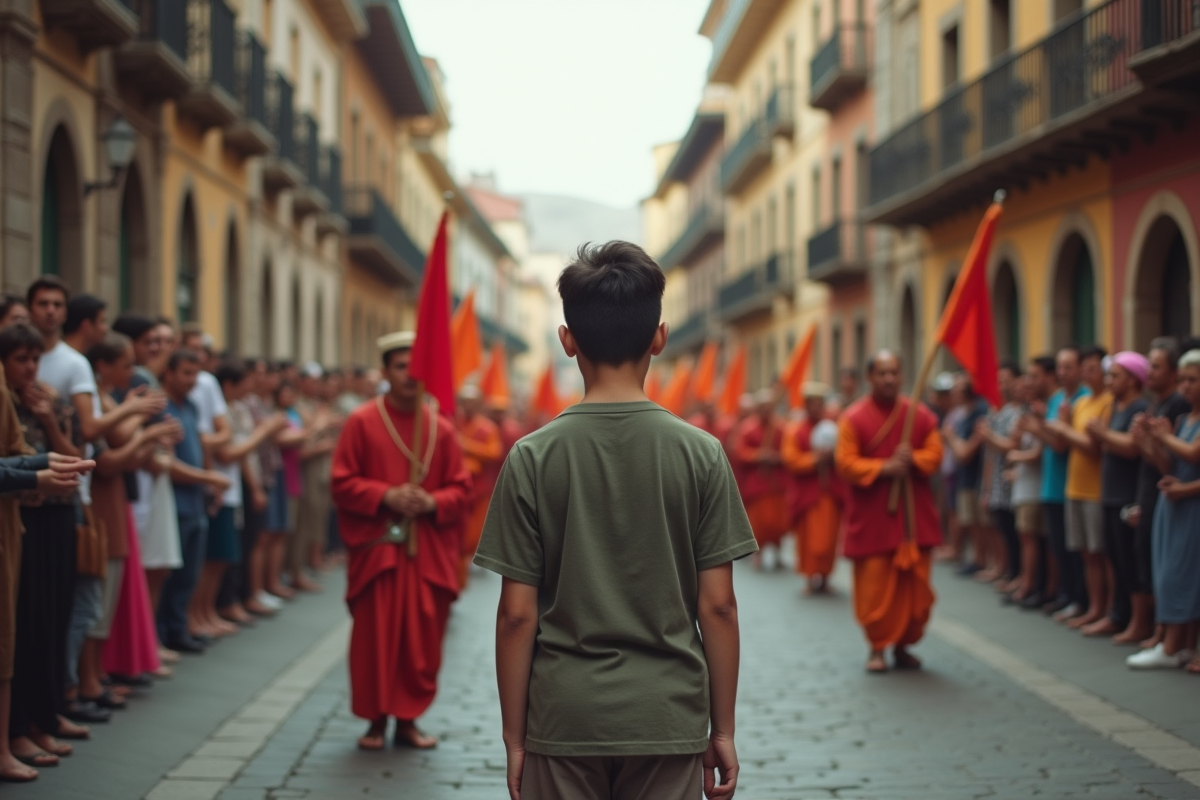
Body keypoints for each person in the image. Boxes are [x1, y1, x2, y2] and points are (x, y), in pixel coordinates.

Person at [474, 242, 753, 800]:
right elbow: (718, 605)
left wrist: (514, 738)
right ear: (659, 337)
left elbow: (515, 615)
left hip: (564, 717)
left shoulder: (531, 456)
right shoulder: (702, 454)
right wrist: (720, 728)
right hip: (666, 715)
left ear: (567, 340)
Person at [331, 331, 471, 752]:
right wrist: (385, 495)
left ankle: (409, 719)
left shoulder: (441, 429)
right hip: (380, 551)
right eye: (400, 367)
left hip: (425, 553)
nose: (410, 376)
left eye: (416, 369)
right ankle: (375, 720)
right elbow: (341, 482)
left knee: (421, 640)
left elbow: (461, 490)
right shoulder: (361, 422)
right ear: (385, 372)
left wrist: (430, 500)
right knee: (375, 638)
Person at [0, 351, 89, 783]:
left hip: (25, 520)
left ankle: (29, 726)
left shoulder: (43, 399)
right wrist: (34, 473)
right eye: (21, 357)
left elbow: (16, 454)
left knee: (31, 627)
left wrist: (39, 462)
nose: (31, 367)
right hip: (22, 516)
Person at [835, 350, 943, 674]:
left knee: (916, 591)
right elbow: (846, 463)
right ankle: (878, 647)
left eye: (894, 372)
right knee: (875, 590)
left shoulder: (919, 415)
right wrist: (885, 468)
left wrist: (913, 460)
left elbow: (935, 454)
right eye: (882, 373)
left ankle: (903, 646)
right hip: (874, 522)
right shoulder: (853, 418)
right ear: (870, 377)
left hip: (913, 521)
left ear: (902, 375)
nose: (889, 379)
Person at [1128, 349, 1200, 670]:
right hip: (1173, 505)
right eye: (1183, 380)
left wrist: (1164, 437)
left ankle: (1172, 647)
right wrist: (1148, 441)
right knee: (1168, 573)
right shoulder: (1185, 419)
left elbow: (1193, 455)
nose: (1186, 387)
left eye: (1193, 380)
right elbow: (1167, 465)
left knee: (1183, 575)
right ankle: (1178, 645)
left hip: (1192, 506)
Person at [158, 350, 231, 653]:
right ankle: (162, 635)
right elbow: (166, 462)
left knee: (190, 573)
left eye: (195, 374)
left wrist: (208, 480)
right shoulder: (161, 407)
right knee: (168, 575)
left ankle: (179, 628)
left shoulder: (190, 405)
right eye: (186, 373)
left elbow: (201, 446)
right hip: (173, 501)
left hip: (195, 501)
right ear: (170, 373)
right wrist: (208, 479)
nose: (192, 381)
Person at [1047, 345, 1112, 630]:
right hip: (1074, 487)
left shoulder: (1106, 402)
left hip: (1096, 489)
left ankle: (1108, 611)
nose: (1087, 374)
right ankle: (1092, 607)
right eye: (1083, 368)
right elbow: (1062, 445)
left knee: (1101, 554)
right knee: (1085, 553)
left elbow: (1094, 446)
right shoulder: (1080, 404)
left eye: (1091, 369)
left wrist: (1063, 430)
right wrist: (1060, 425)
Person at [1086, 352, 1149, 639]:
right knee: (1114, 557)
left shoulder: (1141, 406)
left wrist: (1101, 433)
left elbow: (1132, 446)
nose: (1109, 380)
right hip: (1110, 493)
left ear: (1134, 380)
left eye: (1115, 376)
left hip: (1127, 494)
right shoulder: (1115, 406)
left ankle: (1138, 622)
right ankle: (1117, 613)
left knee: (1129, 561)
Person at [1026, 346, 1088, 619]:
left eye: (1068, 367)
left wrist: (1040, 427)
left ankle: (1079, 599)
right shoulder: (1057, 400)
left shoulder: (1083, 399)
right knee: (1059, 547)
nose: (1063, 373)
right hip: (1051, 485)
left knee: (1078, 551)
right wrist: (1041, 424)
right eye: (1060, 367)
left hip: (1071, 484)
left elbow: (1061, 445)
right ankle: (1065, 595)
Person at [782, 384, 842, 595]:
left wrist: (833, 457)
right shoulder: (795, 430)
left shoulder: (832, 428)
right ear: (806, 405)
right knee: (809, 539)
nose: (816, 408)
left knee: (829, 539)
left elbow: (845, 455)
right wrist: (816, 459)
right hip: (808, 494)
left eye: (820, 404)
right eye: (812, 404)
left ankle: (825, 578)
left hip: (830, 492)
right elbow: (791, 459)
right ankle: (809, 577)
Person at [1005, 360, 1051, 608]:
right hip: (1025, 485)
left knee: (1034, 539)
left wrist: (1016, 456)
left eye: (1031, 381)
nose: (1024, 389)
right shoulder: (1023, 414)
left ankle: (1034, 586)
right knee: (1026, 537)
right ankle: (1027, 582)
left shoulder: (1041, 412)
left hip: (1035, 485)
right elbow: (1014, 443)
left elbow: (1037, 452)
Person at [975, 363, 1024, 594]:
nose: (1001, 386)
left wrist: (988, 436)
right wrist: (986, 488)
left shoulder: (1018, 413)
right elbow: (989, 456)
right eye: (999, 381)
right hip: (996, 480)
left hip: (1013, 482)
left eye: (1005, 381)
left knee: (1016, 532)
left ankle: (1017, 573)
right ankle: (1006, 569)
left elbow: (1010, 446)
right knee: (1002, 527)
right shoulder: (997, 412)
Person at [942, 375, 991, 578]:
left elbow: (965, 453)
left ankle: (982, 559)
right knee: (969, 519)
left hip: (975, 476)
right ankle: (977, 558)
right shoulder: (962, 414)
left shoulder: (979, 413)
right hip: (963, 476)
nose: (954, 394)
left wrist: (950, 438)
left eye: (958, 389)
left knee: (981, 522)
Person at [733, 388, 788, 570]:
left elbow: (789, 451)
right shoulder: (747, 428)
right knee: (758, 522)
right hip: (756, 482)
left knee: (778, 521)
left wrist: (777, 457)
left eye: (768, 407)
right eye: (762, 407)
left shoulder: (781, 427)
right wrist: (758, 456)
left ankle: (778, 553)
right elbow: (739, 452)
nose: (765, 410)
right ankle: (758, 553)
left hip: (776, 482)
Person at [456, 385, 501, 591]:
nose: (468, 405)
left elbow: (494, 452)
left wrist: (466, 446)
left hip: (479, 488)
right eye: (464, 400)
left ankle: (464, 567)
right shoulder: (454, 423)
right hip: (457, 488)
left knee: (473, 534)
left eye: (472, 401)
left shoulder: (487, 427)